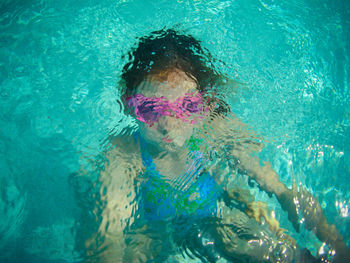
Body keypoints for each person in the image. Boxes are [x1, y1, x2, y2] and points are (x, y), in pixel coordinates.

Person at [86, 29, 349, 262]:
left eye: (186, 107)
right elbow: (107, 237)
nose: (168, 124)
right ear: (128, 105)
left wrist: (335, 243)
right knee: (138, 253)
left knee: (269, 250)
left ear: (205, 104)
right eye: (150, 109)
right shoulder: (125, 154)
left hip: (213, 210)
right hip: (150, 227)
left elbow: (282, 190)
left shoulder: (215, 129)